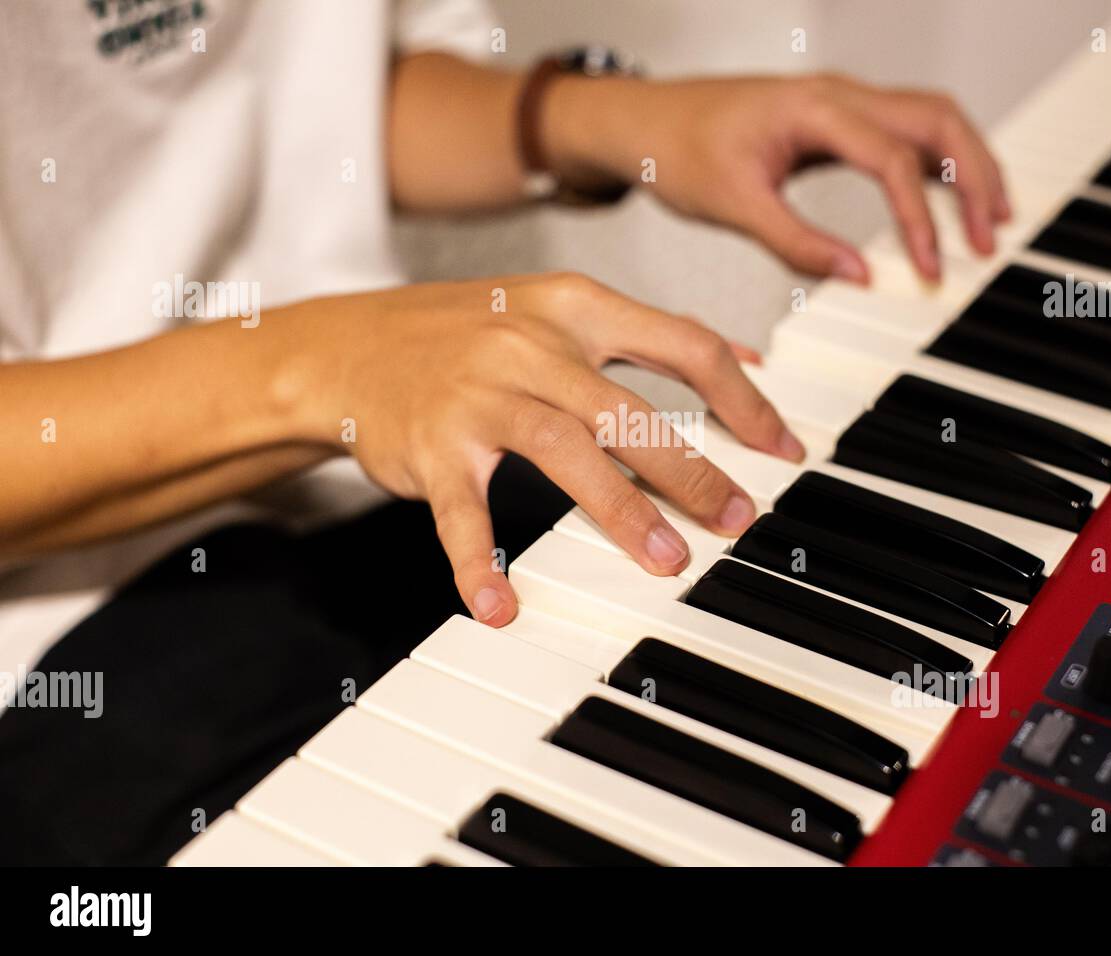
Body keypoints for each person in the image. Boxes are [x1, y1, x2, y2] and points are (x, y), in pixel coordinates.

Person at [0, 0, 1007, 864]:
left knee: (819, 654)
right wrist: (328, 361)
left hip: (370, 471)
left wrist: (618, 118)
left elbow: (328, 87)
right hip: (54, 630)